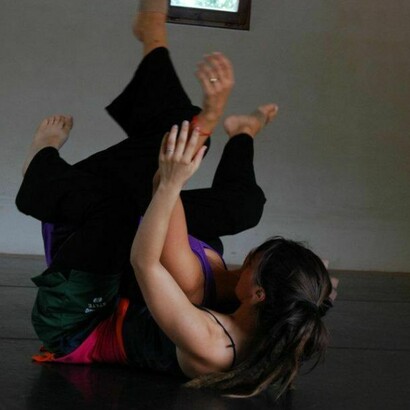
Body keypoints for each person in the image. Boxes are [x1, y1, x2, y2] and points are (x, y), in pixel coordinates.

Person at [15, 1, 332, 399]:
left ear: (259, 294)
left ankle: (41, 169)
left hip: (78, 322)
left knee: (121, 205)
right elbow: (307, 301)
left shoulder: (210, 340)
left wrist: (172, 181)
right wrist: (317, 284)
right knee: (242, 206)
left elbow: (144, 261)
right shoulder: (278, 323)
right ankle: (231, 126)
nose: (249, 256)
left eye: (255, 260)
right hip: (137, 289)